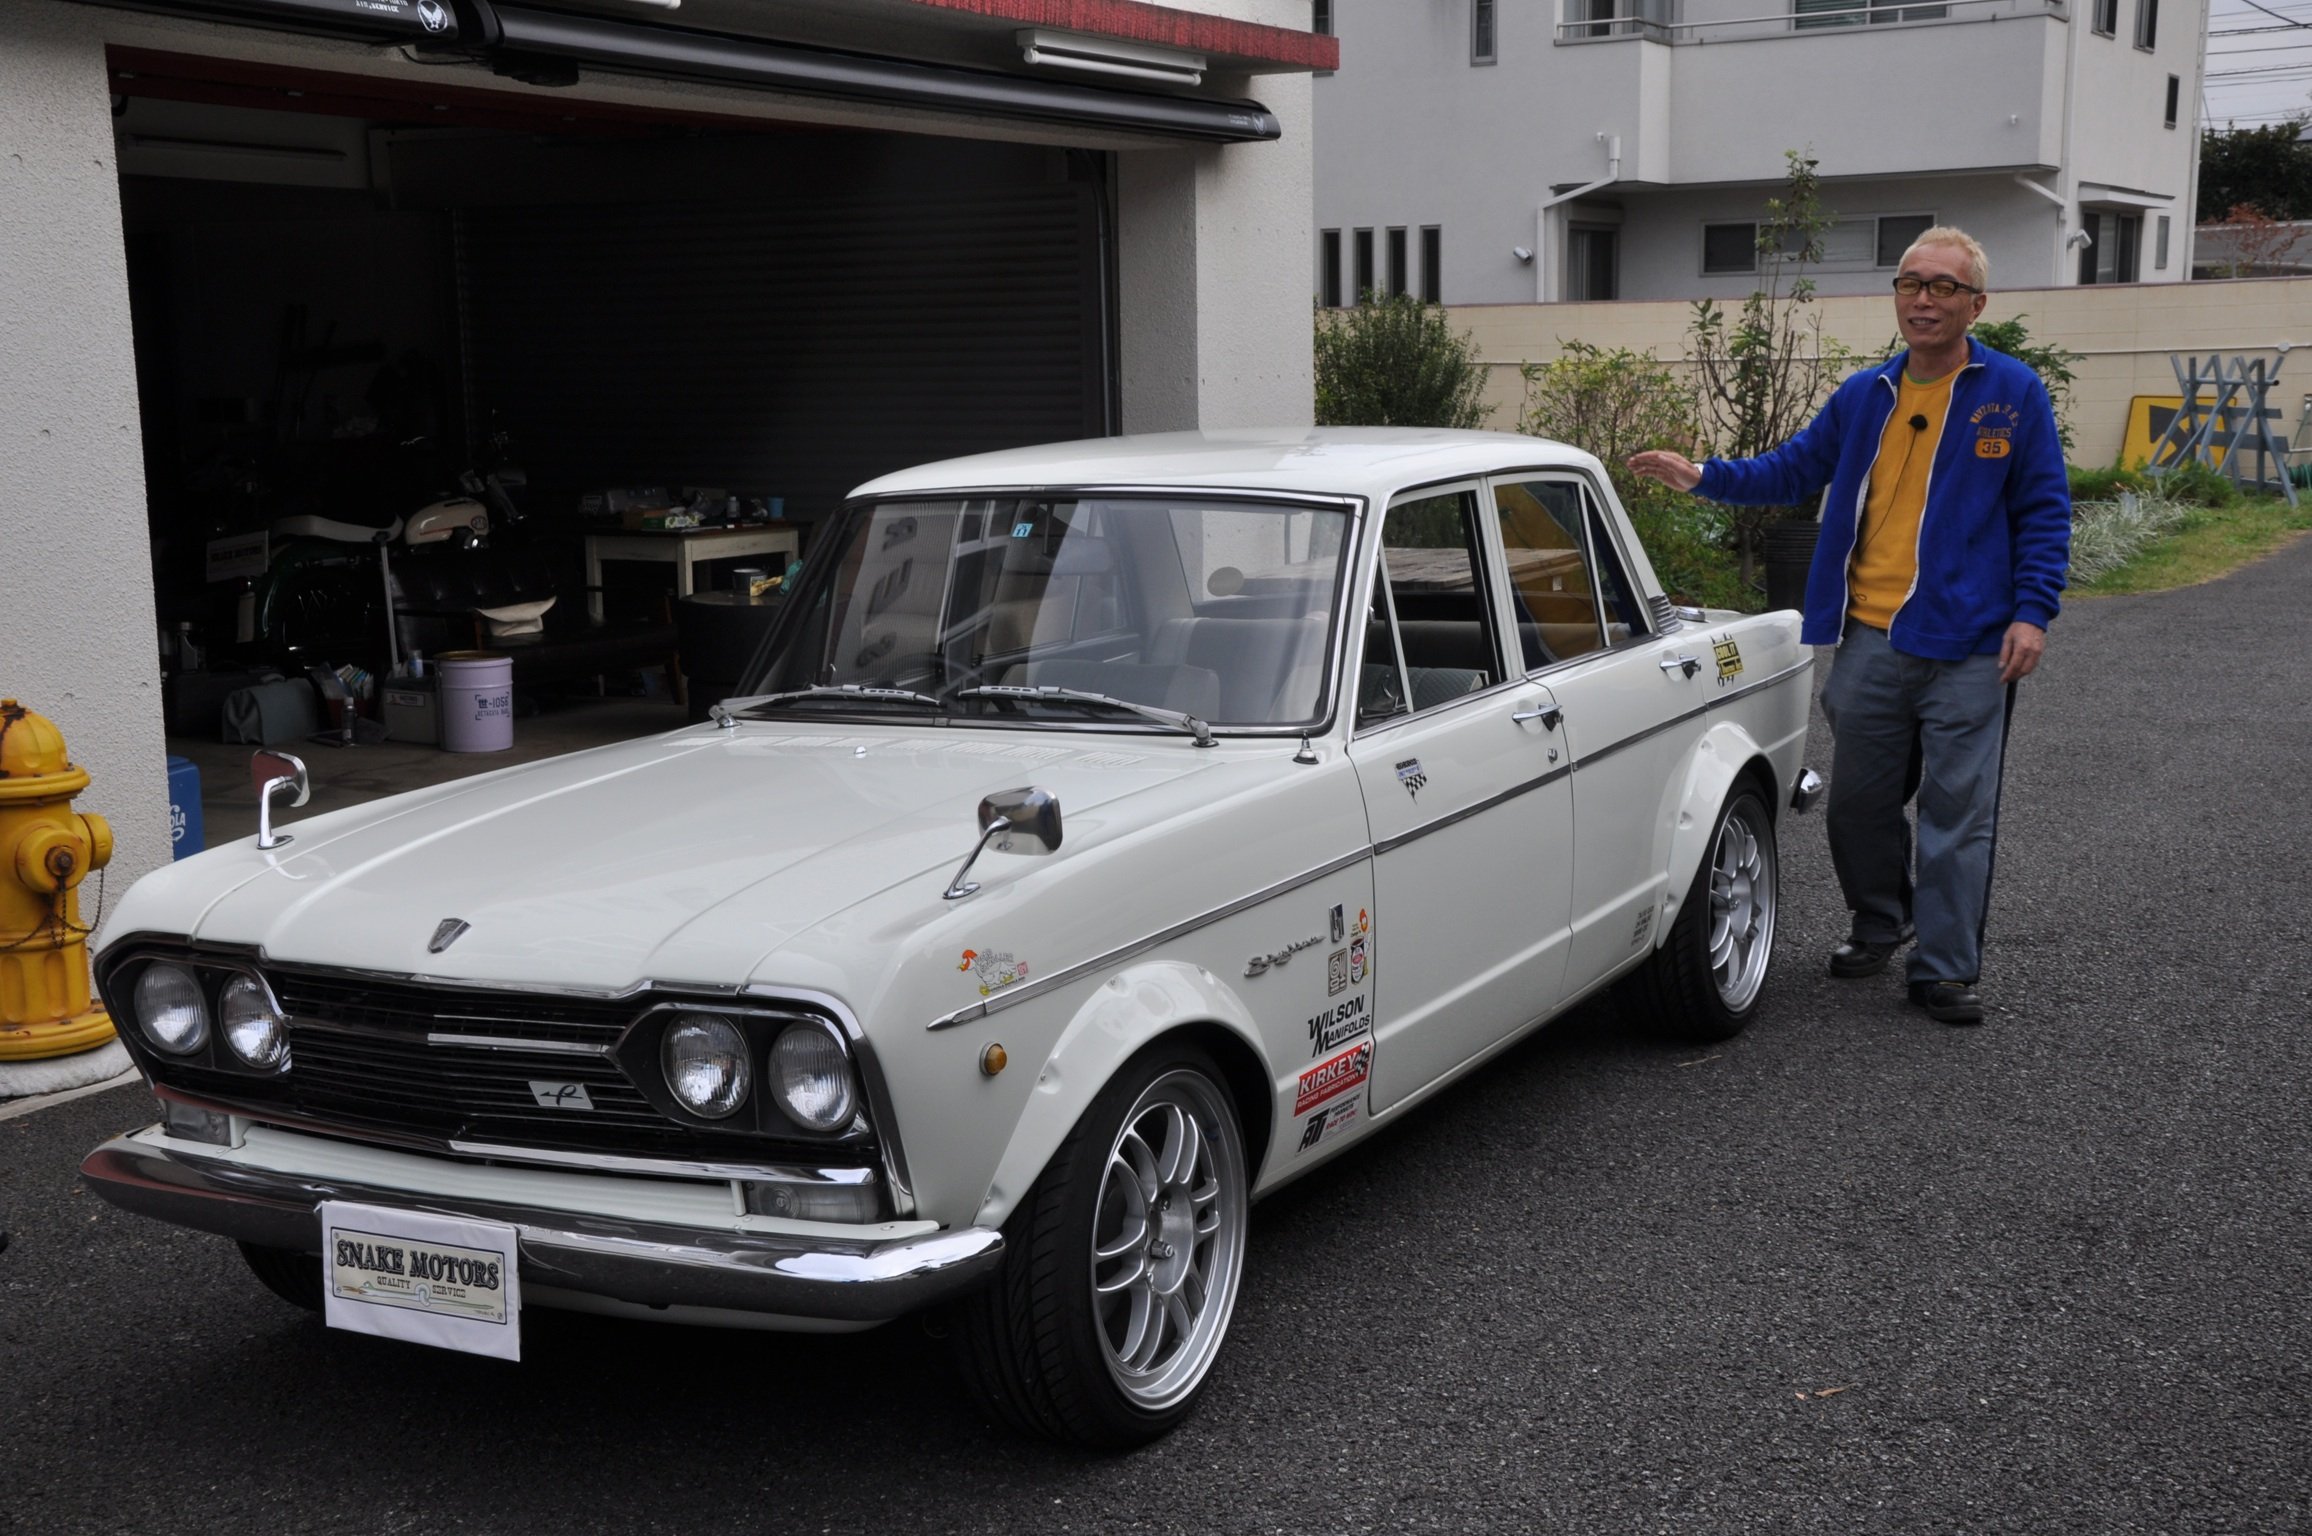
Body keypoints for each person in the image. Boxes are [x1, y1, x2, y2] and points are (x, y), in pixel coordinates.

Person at [1629, 227, 2069, 1026]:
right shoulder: (1866, 395)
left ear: (1976, 304)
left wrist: (2033, 613)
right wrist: (1704, 478)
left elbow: (2042, 512)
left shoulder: (2012, 393)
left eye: (1943, 287)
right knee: (1855, 809)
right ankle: (1881, 919)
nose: (1923, 299)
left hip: (1971, 647)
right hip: (1870, 640)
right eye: (1911, 284)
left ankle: (1943, 969)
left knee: (1955, 816)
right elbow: (1793, 468)